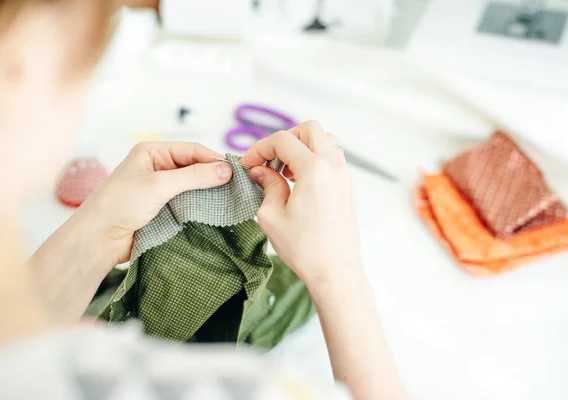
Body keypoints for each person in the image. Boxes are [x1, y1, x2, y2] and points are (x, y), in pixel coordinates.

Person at [0, 1, 406, 399]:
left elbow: (24, 338)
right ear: (24, 62)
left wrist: (100, 231)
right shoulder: (225, 387)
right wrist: (339, 275)